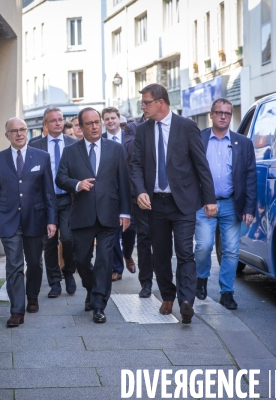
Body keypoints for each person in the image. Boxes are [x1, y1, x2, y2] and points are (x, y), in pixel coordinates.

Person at [130, 84, 216, 324]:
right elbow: (135, 165)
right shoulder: (142, 130)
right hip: (154, 203)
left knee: (185, 251)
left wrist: (209, 199)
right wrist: (139, 191)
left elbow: (201, 165)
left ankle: (186, 301)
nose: (143, 106)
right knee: (160, 254)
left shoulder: (187, 127)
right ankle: (167, 295)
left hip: (183, 202)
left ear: (161, 102)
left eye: (146, 102)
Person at [56, 107, 131, 324]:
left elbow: (124, 183)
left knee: (104, 261)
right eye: (89, 124)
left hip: (109, 214)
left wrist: (125, 212)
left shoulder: (115, 149)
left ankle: (99, 304)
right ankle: (91, 288)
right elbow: (60, 178)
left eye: (97, 122)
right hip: (82, 214)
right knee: (81, 260)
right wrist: (77, 184)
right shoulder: (71, 151)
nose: (95, 126)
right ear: (80, 126)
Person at [0, 117, 57, 327]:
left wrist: (52, 220)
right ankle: (17, 310)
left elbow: (48, 192)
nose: (19, 134)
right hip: (8, 219)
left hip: (35, 219)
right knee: (14, 265)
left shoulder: (42, 157)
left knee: (34, 263)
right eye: (14, 131)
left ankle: (33, 295)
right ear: (6, 135)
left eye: (22, 130)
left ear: (27, 132)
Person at [194, 98, 256, 310]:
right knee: (203, 246)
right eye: (219, 112)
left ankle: (226, 292)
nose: (223, 116)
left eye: (227, 113)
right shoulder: (198, 139)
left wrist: (249, 207)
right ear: (211, 114)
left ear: (231, 116)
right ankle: (201, 278)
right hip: (203, 205)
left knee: (231, 251)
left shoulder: (243, 143)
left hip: (231, 204)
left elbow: (250, 177)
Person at [29, 107, 78, 298]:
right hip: (44, 201)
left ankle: (69, 272)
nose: (58, 123)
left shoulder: (73, 144)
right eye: (54, 120)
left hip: (67, 199)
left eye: (60, 119)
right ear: (45, 125)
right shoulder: (35, 145)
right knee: (48, 243)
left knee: (67, 238)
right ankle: (55, 282)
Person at [102, 107, 136, 281]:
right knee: (113, 230)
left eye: (113, 118)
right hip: (111, 193)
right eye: (106, 119)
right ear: (103, 121)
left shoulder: (130, 139)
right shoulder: (100, 141)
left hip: (131, 191)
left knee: (131, 229)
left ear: (119, 119)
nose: (110, 121)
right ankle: (117, 268)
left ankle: (127, 253)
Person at [123, 113, 153, 298]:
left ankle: (164, 276)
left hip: (166, 193)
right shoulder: (133, 128)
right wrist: (149, 132)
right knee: (144, 238)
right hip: (140, 193)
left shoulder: (171, 126)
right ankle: (146, 282)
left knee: (164, 240)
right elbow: (130, 152)